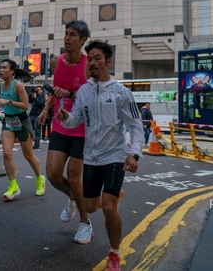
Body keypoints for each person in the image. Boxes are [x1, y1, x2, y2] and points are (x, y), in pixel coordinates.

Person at [55, 40, 144, 271]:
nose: (92, 63)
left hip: (114, 156)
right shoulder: (84, 91)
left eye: (97, 58)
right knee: (91, 207)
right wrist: (65, 117)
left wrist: (133, 153)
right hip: (91, 157)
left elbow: (136, 126)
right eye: (90, 59)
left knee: (108, 208)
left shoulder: (121, 93)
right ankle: (115, 195)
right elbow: (76, 120)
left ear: (108, 62)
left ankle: (114, 254)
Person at [37, 19, 93, 244]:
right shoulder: (55, 62)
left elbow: (92, 97)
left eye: (73, 35)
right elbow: (55, 92)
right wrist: (46, 109)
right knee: (52, 173)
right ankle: (73, 197)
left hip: (82, 128)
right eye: (66, 33)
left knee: (74, 176)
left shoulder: (89, 65)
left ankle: (85, 222)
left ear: (83, 40)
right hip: (60, 124)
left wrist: (70, 93)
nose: (67, 38)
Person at [0, 59, 45, 201]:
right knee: (6, 152)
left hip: (22, 121)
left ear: (12, 71)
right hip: (8, 121)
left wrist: (8, 101)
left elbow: (25, 105)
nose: (1, 70)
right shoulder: (1, 85)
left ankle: (40, 178)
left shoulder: (18, 85)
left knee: (28, 155)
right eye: (0, 67)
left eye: (4, 68)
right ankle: (13, 186)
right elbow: (2, 102)